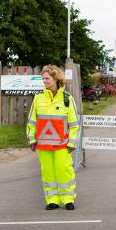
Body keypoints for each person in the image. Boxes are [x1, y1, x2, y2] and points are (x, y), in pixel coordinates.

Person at [27, 65, 80, 211]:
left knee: (64, 171)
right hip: (43, 146)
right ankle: (52, 200)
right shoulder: (38, 99)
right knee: (48, 173)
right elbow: (32, 121)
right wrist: (31, 140)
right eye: (43, 78)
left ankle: (68, 200)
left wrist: (71, 143)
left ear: (55, 79)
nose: (44, 81)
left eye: (47, 78)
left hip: (63, 145)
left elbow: (74, 124)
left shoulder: (67, 99)